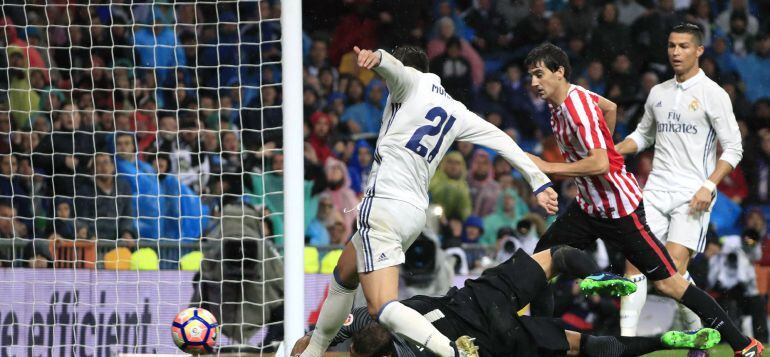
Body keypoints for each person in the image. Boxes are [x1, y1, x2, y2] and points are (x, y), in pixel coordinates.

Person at [299, 45, 562, 357]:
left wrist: (380, 58)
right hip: (412, 214)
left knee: (382, 307)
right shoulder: (456, 109)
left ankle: (452, 353)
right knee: (345, 272)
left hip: (384, 204)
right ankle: (313, 351)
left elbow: (396, 70)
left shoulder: (409, 83)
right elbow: (501, 139)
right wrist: (537, 180)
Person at [524, 42, 762, 356]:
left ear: (560, 72)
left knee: (669, 283)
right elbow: (610, 107)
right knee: (540, 267)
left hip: (621, 210)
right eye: (531, 76)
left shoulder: (577, 109)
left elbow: (601, 163)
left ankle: (744, 344)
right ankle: (544, 346)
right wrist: (606, 145)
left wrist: (548, 166)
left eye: (539, 75)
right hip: (587, 206)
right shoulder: (570, 99)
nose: (533, 83)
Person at [293, 246, 721, 357]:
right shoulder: (378, 314)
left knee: (582, 347)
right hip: (476, 300)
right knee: (556, 255)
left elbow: (315, 342)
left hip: (489, 342)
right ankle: (594, 277)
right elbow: (316, 339)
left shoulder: (383, 343)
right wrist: (312, 344)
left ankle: (671, 341)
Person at [614, 23, 745, 340]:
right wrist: (614, 151)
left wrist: (709, 185)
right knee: (633, 266)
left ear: (699, 50)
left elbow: (734, 148)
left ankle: (696, 331)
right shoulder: (658, 93)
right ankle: (625, 344)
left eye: (684, 46)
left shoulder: (713, 94)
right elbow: (643, 136)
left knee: (668, 275)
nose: (675, 52)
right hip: (655, 190)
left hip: (692, 193)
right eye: (672, 45)